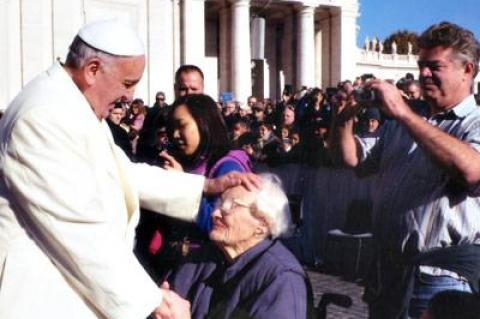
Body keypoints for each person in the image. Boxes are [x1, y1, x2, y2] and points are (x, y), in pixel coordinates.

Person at [0, 19, 258, 319]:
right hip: (42, 297)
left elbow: (123, 172)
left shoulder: (74, 105)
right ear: (93, 70)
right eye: (126, 84)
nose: (130, 96)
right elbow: (79, 228)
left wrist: (203, 186)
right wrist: (151, 300)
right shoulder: (44, 115)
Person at [331, 21, 480, 318]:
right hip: (390, 270)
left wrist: (402, 112)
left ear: (468, 70)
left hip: (442, 277)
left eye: (435, 66)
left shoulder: (472, 122)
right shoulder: (407, 121)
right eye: (421, 65)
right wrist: (343, 118)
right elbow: (353, 162)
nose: (423, 74)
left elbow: (471, 170)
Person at [140, 94, 252, 279]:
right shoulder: (187, 160)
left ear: (203, 123)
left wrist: (182, 183)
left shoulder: (227, 167)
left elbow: (227, 227)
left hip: (206, 271)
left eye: (182, 126)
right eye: (171, 128)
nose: (175, 134)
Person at [167, 173, 308, 319]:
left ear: (262, 225)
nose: (215, 213)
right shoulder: (201, 258)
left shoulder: (281, 278)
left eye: (231, 206)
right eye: (219, 204)